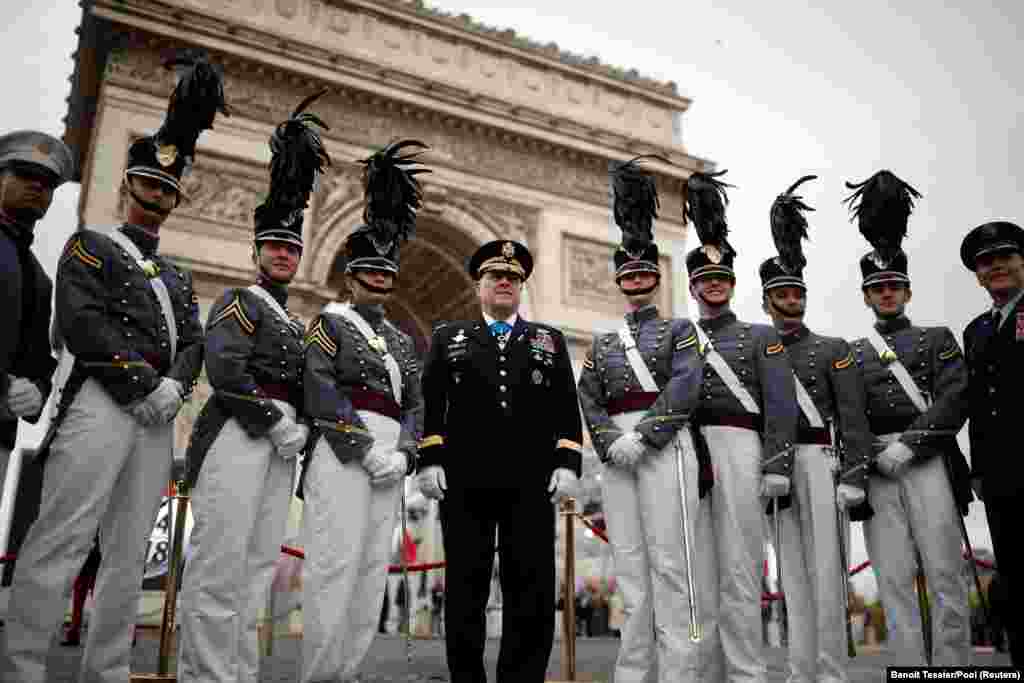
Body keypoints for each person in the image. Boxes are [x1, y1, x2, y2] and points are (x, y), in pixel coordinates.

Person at [0, 52, 225, 683]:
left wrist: (178, 386)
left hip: (156, 414)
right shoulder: (88, 246)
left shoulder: (178, 275)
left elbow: (193, 338)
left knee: (130, 551)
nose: (156, 199)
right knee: (61, 539)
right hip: (101, 399)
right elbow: (83, 323)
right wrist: (146, 384)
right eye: (149, 187)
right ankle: (21, 669)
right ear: (128, 187)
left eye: (167, 193)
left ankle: (105, 670)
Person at [176, 91, 328, 682]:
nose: (286, 255)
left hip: (278, 443)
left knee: (258, 563)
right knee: (220, 561)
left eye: (293, 247)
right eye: (276, 246)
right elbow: (226, 369)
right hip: (239, 435)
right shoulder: (240, 301)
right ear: (257, 251)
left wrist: (303, 430)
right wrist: (273, 421)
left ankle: (236, 672)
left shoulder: (292, 319)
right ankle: (204, 674)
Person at [417, 238, 584, 683]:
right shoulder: (447, 337)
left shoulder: (550, 340)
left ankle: (522, 678)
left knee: (530, 588)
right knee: (465, 589)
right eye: (496, 277)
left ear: (522, 286)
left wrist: (568, 463)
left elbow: (567, 407)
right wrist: (429, 459)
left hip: (530, 481)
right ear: (479, 286)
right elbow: (431, 403)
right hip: (465, 480)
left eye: (513, 278)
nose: (505, 283)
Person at [300, 140, 427, 682]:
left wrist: (404, 453)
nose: (379, 282)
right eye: (369, 275)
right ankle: (319, 673)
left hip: (389, 460)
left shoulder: (401, 341)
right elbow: (319, 388)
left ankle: (347, 671)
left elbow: (416, 404)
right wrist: (363, 448)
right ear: (350, 278)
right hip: (341, 449)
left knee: (372, 570)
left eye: (386, 276)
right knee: (334, 565)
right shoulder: (330, 324)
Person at [576, 156, 704, 682]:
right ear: (618, 280)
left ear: (657, 277)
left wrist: (645, 437)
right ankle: (633, 674)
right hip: (617, 456)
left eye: (645, 272)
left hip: (665, 449)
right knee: (629, 569)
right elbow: (589, 395)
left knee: (673, 567)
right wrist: (609, 442)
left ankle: (680, 673)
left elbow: (686, 384)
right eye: (628, 274)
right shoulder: (603, 342)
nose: (637, 280)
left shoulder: (680, 330)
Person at [845, 170, 971, 667]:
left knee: (945, 574)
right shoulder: (853, 353)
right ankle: (910, 668)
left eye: (895, 286)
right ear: (867, 296)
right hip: (878, 469)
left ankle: (955, 669)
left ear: (908, 291)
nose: (887, 294)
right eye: (878, 288)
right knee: (893, 577)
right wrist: (874, 453)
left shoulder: (937, 338)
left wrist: (911, 444)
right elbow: (848, 415)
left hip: (927, 460)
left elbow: (954, 397)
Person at [757, 175, 873, 683]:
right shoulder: (756, 348)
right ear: (767, 301)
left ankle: (829, 673)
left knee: (827, 575)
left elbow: (853, 417)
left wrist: (854, 474)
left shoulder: (833, 348)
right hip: (776, 469)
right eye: (781, 292)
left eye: (796, 291)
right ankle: (798, 671)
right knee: (792, 578)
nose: (791, 299)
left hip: (821, 463)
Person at [683, 170, 798, 682]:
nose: (714, 285)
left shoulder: (759, 336)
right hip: (689, 451)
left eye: (722, 278)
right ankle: (705, 671)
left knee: (741, 568)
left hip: (742, 446)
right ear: (693, 285)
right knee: (697, 570)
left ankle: (747, 672)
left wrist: (777, 463)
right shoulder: (678, 335)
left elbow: (780, 404)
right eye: (706, 279)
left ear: (731, 284)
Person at [960, 220, 1024, 666]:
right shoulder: (976, 330)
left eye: (1005, 256)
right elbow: (981, 405)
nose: (995, 266)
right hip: (1001, 476)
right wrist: (978, 469)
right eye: (986, 262)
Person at [0, 130, 74, 509]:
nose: (36, 187)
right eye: (24, 175)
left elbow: (37, 358)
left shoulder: (42, 278)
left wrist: (38, 389)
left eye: (46, 184)